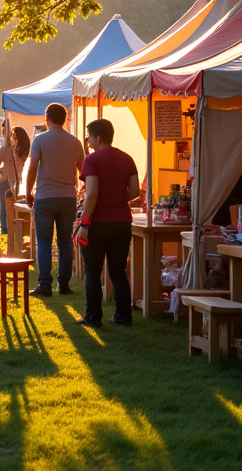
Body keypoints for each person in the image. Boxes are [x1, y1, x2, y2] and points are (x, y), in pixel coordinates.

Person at [74, 118, 141, 328]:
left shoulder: (92, 160)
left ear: (98, 137)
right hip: (122, 221)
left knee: (93, 271)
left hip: (99, 222)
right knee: (118, 270)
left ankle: (93, 317)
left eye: (89, 137)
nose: (87, 141)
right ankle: (123, 316)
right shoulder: (127, 158)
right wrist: (117, 199)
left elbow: (91, 193)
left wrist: (84, 224)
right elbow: (135, 191)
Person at [25, 103, 85, 297]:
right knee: (65, 243)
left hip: (45, 197)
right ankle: (64, 284)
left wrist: (27, 192)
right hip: (68, 196)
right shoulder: (75, 142)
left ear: (47, 118)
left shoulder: (40, 139)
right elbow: (84, 172)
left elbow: (32, 168)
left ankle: (44, 284)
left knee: (43, 242)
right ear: (65, 118)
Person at [0, 121, 27, 236]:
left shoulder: (3, 150)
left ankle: (5, 232)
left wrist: (5, 169)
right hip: (16, 182)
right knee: (14, 207)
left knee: (4, 208)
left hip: (4, 181)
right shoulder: (23, 151)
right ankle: (15, 231)